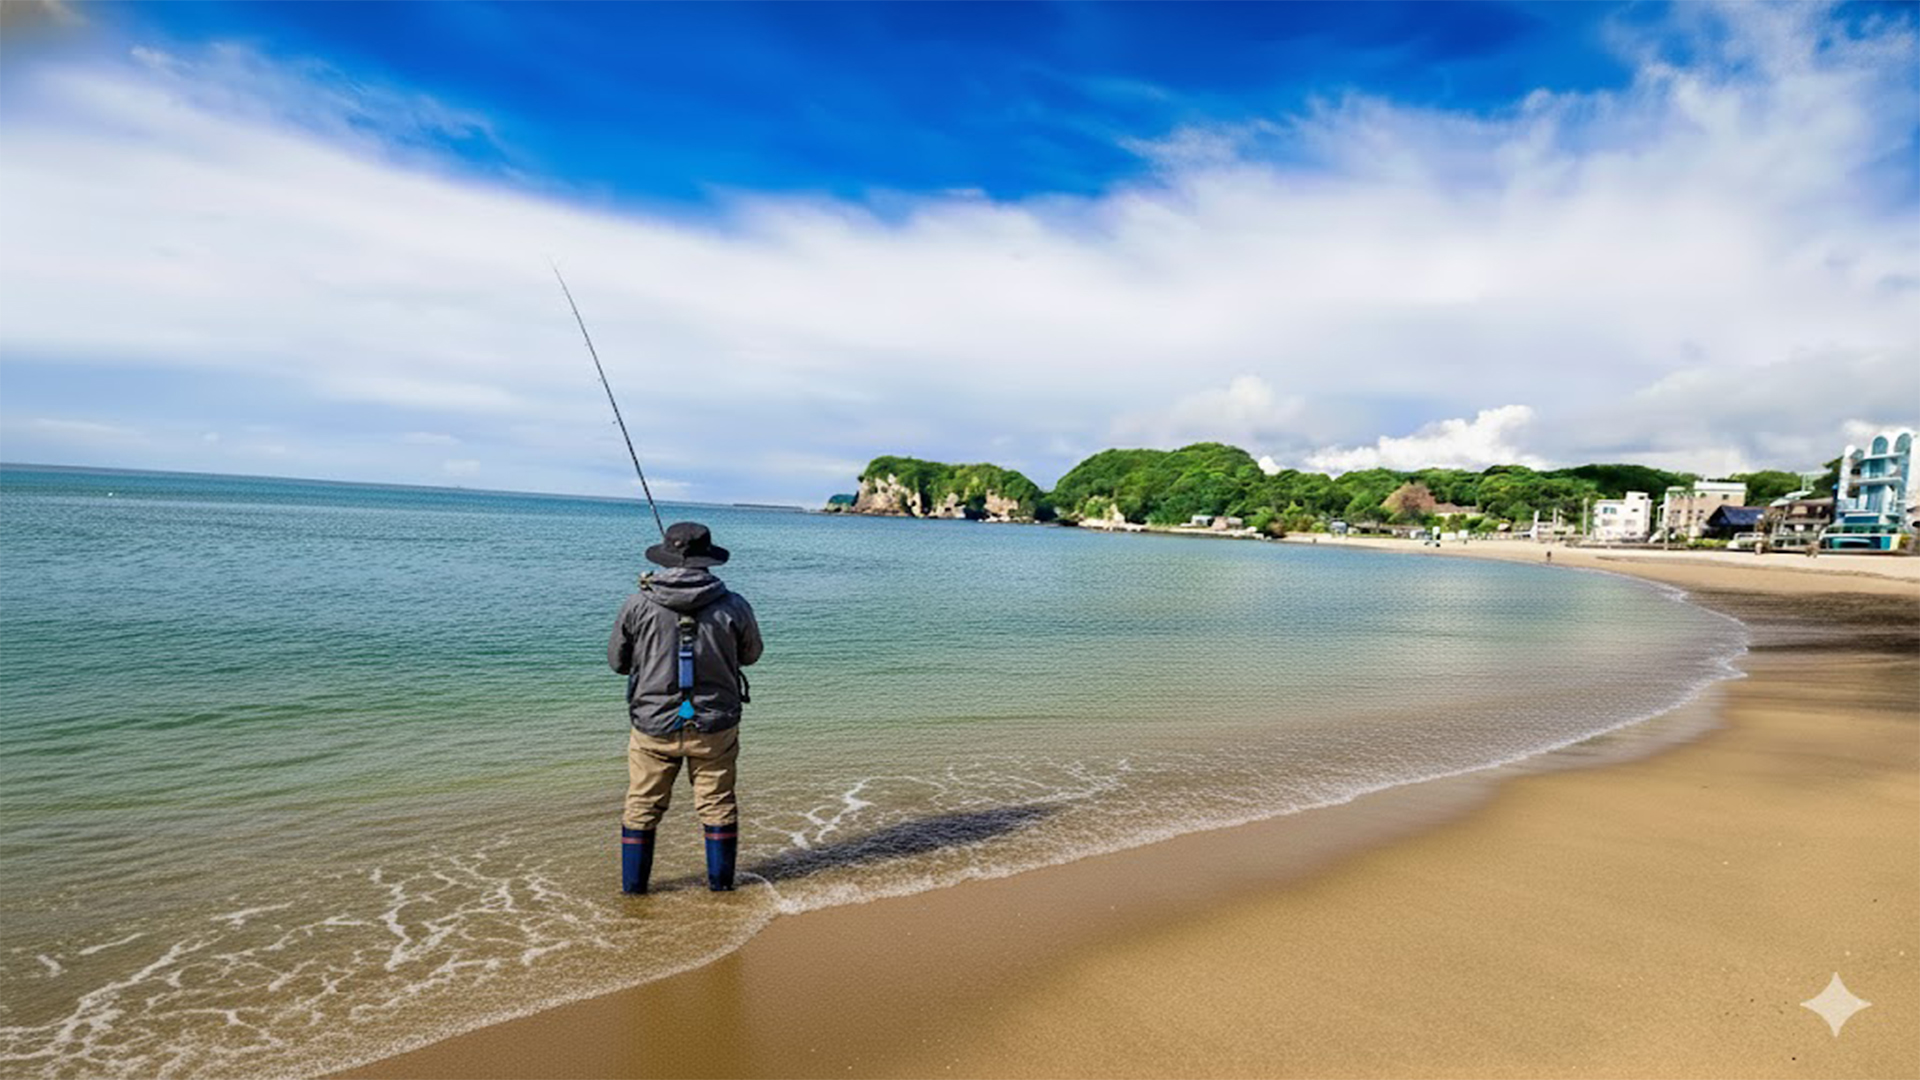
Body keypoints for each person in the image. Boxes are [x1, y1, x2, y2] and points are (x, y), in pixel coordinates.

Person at [608, 521, 763, 894]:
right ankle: (722, 890)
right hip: (714, 723)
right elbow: (751, 655)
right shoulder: (734, 604)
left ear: (666, 556)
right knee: (717, 803)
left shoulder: (637, 603)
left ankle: (634, 893)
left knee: (643, 805)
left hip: (652, 724)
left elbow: (618, 662)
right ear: (707, 559)